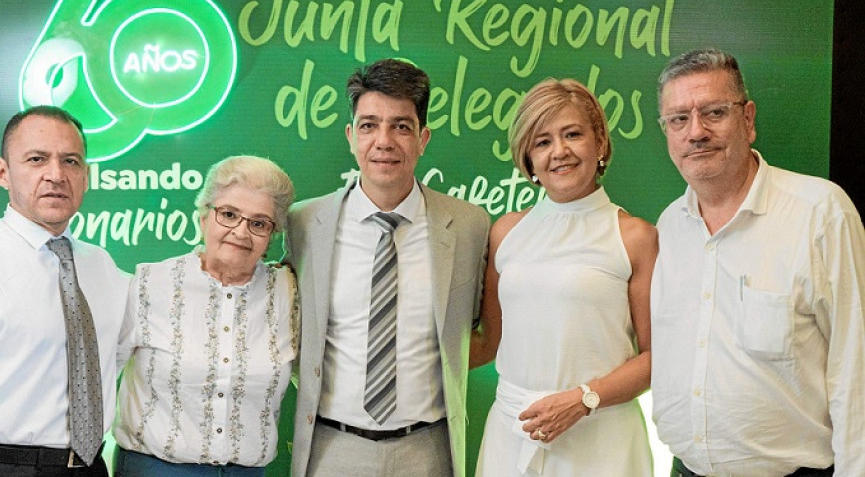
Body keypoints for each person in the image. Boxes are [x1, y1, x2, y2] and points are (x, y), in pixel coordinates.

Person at [651, 48, 865, 477]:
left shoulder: (821, 213)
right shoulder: (670, 225)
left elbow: (855, 365)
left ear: (747, 120)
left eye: (713, 112)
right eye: (678, 119)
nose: (696, 132)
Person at [284, 58, 490, 477]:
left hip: (427, 450)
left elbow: (477, 333)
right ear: (350, 135)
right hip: (331, 447)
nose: (384, 141)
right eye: (368, 125)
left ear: (423, 138)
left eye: (401, 126)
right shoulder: (305, 224)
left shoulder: (470, 225)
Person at [0, 106, 127, 476]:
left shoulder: (102, 267)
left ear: (86, 176)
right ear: (3, 172)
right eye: (36, 159)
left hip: (92, 467)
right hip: (1, 467)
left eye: (71, 161)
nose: (56, 175)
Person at [471, 78, 657, 476]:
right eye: (542, 141)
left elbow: (656, 358)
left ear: (600, 143)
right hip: (511, 434)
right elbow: (488, 341)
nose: (560, 151)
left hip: (601, 442)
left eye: (573, 134)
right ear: (529, 159)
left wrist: (583, 399)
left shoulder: (635, 236)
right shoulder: (505, 233)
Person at [112, 156, 298, 476]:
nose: (241, 232)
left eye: (258, 223)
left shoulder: (288, 293)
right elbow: (98, 376)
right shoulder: (148, 284)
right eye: (228, 214)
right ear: (203, 217)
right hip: (154, 470)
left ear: (273, 233)